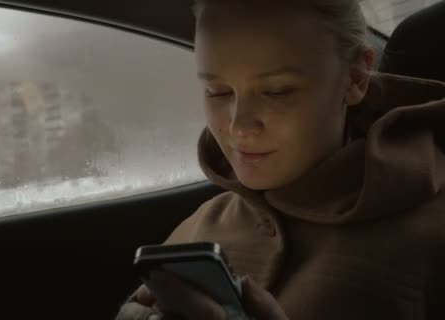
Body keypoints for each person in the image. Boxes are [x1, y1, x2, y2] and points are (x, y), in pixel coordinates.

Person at [116, 0, 445, 319]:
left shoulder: (431, 235)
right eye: (218, 91)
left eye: (277, 91)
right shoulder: (194, 232)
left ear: (356, 78)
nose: (239, 126)